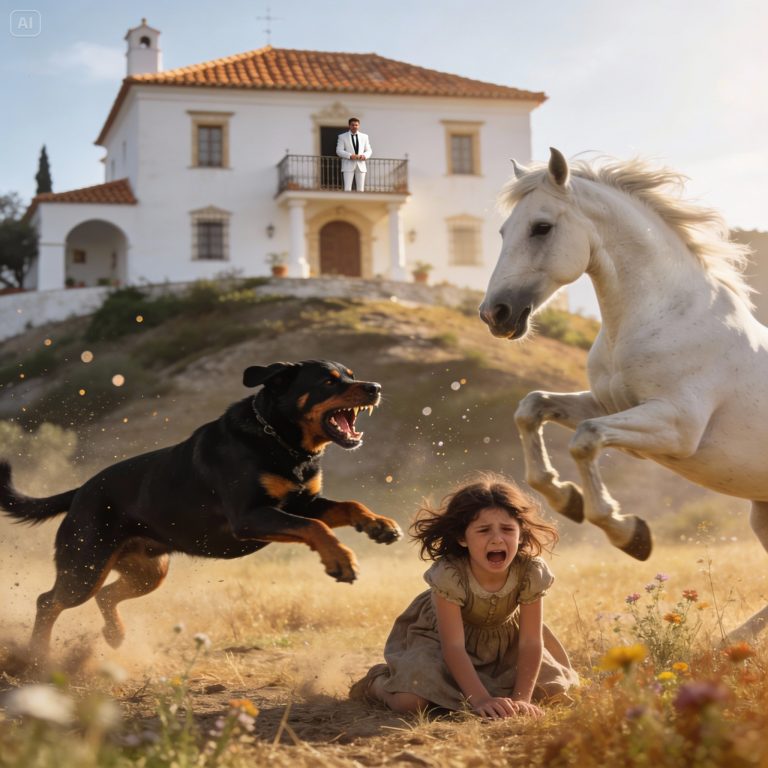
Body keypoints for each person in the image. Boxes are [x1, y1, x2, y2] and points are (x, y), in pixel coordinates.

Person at [350, 473, 578, 719]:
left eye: (507, 529)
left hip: (505, 646)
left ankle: (489, 688)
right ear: (462, 538)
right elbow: (454, 646)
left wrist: (521, 700)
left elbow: (531, 641)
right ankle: (377, 684)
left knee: (552, 692)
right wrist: (480, 700)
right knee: (411, 702)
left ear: (520, 535)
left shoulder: (530, 571)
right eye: (483, 530)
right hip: (440, 642)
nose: (497, 538)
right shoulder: (450, 575)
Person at [336, 117, 372, 192]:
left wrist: (364, 156)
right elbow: (339, 151)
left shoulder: (365, 136)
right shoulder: (342, 136)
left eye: (356, 125)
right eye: (352, 125)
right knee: (347, 189)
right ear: (349, 126)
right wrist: (350, 155)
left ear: (359, 126)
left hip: (361, 165)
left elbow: (369, 150)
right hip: (348, 164)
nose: (354, 126)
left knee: (361, 189)